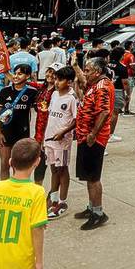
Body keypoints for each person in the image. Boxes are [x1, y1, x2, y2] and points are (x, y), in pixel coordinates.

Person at [0, 137, 47, 269]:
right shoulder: (37, 192)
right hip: (21, 262)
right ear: (37, 162)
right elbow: (37, 229)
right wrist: (39, 262)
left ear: (10, 162)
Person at [73, 57, 113, 230]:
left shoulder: (102, 86)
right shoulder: (94, 84)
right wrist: (75, 67)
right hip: (85, 136)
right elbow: (82, 80)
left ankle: (98, 213)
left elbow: (104, 112)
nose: (85, 73)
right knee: (89, 176)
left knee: (94, 177)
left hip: (94, 139)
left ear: (97, 72)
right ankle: (91, 208)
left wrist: (93, 134)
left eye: (88, 70)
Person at [42, 66, 77, 219]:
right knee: (53, 169)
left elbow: (76, 120)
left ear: (69, 82)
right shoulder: (55, 94)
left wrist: (63, 132)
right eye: (56, 79)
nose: (56, 82)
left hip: (62, 141)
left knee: (62, 169)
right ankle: (53, 198)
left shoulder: (72, 98)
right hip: (49, 139)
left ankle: (62, 202)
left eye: (60, 80)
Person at [0, 63, 38, 181]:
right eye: (15, 73)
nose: (16, 76)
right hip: (5, 133)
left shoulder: (32, 92)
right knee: (4, 164)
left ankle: (17, 187)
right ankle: (4, 188)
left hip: (22, 134)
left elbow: (40, 111)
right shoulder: (5, 91)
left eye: (20, 74)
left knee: (18, 166)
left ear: (27, 76)